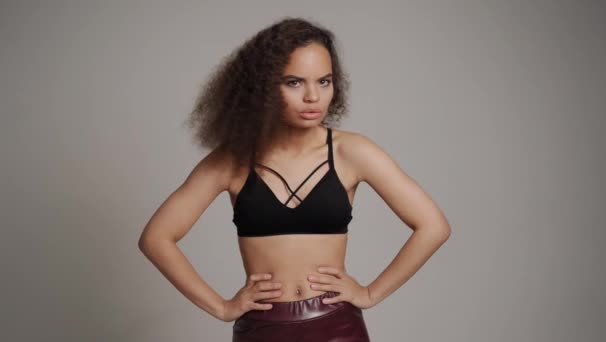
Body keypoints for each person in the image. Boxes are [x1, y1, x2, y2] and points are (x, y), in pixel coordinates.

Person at [138, 17, 451, 341]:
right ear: (263, 87)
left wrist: (370, 293)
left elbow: (433, 226)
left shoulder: (351, 152)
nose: (313, 96)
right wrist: (220, 307)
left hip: (338, 326)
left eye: (324, 81)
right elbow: (157, 237)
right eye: (294, 82)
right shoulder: (234, 159)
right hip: (262, 329)